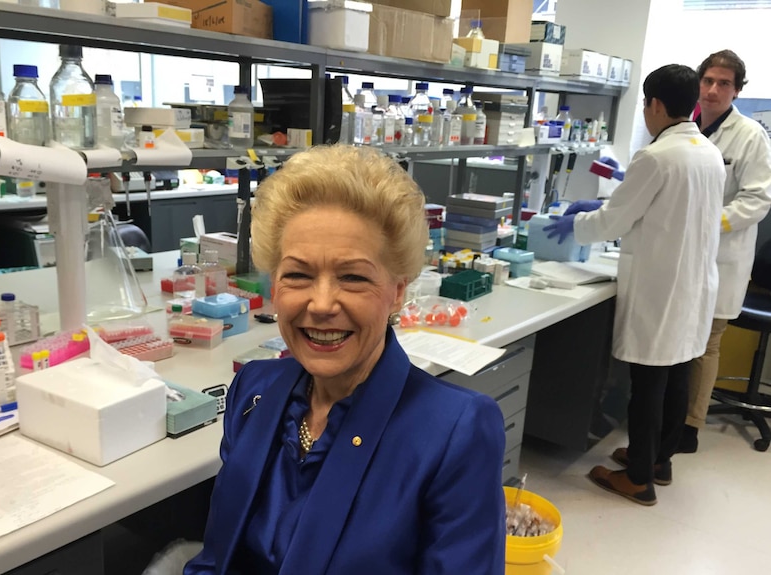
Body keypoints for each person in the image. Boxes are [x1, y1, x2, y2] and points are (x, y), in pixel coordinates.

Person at [184, 145, 507, 574]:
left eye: (353, 277)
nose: (320, 304)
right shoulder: (254, 390)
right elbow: (215, 559)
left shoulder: (455, 432)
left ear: (396, 291)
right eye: (297, 274)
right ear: (275, 287)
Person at [544, 64, 725, 505]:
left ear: (656, 105)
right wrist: (607, 202)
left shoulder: (657, 156)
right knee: (676, 376)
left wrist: (573, 222)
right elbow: (662, 206)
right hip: (692, 285)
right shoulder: (707, 151)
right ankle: (659, 461)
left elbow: (612, 221)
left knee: (648, 386)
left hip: (661, 290)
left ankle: (638, 479)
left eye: (645, 104)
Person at [679, 50, 771, 453]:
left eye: (724, 83)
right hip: (682, 255)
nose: (714, 90)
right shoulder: (684, 127)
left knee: (705, 344)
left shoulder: (750, 135)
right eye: (708, 81)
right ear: (699, 83)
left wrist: (708, 223)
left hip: (722, 257)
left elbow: (758, 199)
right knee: (680, 339)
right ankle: (669, 416)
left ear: (737, 90)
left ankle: (689, 427)